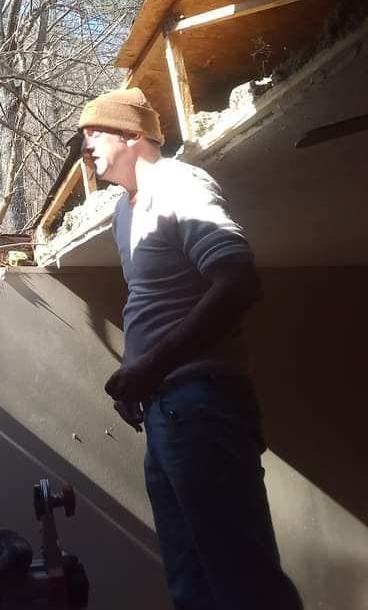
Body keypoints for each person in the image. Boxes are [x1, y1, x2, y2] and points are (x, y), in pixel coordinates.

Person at [79, 86, 303, 610]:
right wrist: (140, 374)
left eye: (94, 132)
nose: (83, 145)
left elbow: (238, 282)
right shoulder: (124, 211)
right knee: (192, 584)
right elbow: (158, 304)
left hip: (203, 406)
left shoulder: (179, 184)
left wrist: (151, 365)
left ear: (134, 136)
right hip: (166, 412)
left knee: (242, 581)